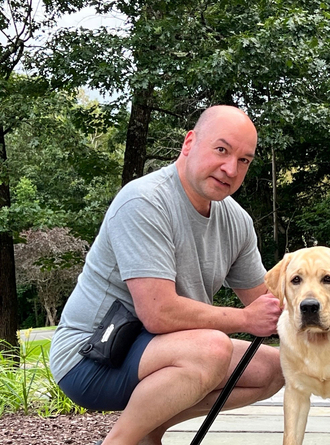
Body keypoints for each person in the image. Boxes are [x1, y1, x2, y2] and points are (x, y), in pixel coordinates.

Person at [49, 105, 285, 445]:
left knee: (275, 369)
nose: (230, 168)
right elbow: (158, 313)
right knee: (212, 348)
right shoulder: (144, 201)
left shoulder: (237, 222)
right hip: (91, 358)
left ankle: (151, 431)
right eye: (221, 149)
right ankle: (120, 442)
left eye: (244, 160)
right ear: (189, 143)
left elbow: (269, 302)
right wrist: (245, 318)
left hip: (162, 351)